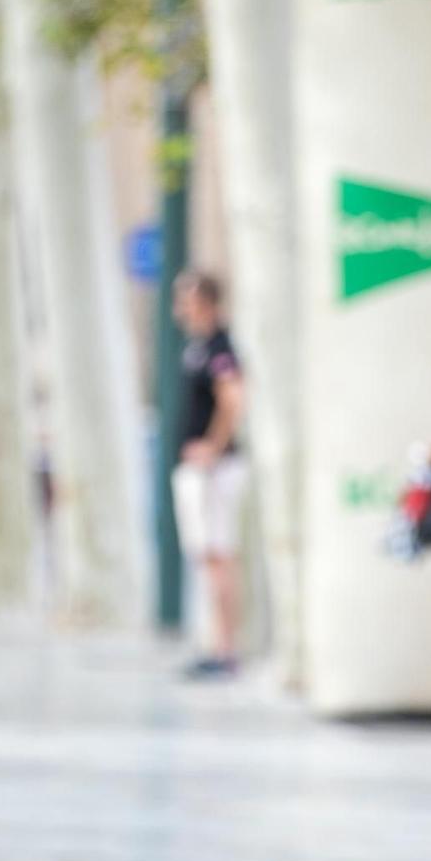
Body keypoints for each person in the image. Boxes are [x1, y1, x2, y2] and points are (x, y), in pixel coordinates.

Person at [170, 270, 249, 680]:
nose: (179, 308)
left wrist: (213, 449)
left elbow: (234, 398)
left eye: (186, 299)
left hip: (214, 473)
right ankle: (216, 643)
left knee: (219, 555)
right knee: (208, 556)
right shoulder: (197, 348)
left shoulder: (220, 347)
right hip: (199, 471)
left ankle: (226, 649)